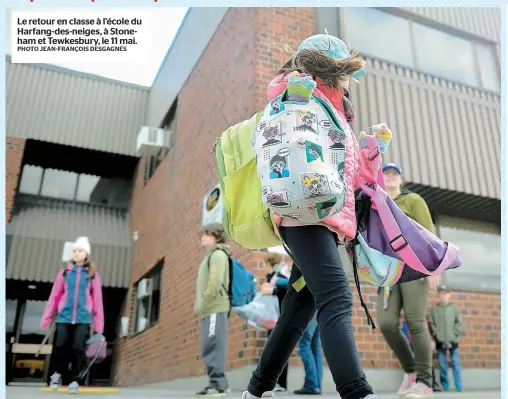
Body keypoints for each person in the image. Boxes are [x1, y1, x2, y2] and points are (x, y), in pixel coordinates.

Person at [242, 34, 378, 399]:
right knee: (336, 298)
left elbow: (344, 171)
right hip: (304, 214)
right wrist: (295, 97)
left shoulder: (334, 108)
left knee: (299, 307)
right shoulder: (300, 95)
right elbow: (291, 145)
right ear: (333, 68)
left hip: (321, 215)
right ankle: (355, 391)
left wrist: (371, 152)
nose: (350, 80)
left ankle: (256, 390)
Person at [377, 163, 440, 399]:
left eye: (395, 174)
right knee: (386, 323)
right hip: (389, 272)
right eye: (386, 173)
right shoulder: (377, 204)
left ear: (401, 180)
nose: (391, 176)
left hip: (414, 267)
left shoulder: (413, 200)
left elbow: (429, 232)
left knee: (415, 322)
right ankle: (411, 371)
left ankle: (425, 382)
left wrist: (435, 266)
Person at [40, 237, 104, 394]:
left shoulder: (92, 276)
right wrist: (47, 317)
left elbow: (97, 301)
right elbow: (54, 296)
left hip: (82, 318)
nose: (75, 253)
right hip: (64, 316)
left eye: (79, 250)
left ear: (86, 254)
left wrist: (99, 325)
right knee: (60, 346)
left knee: (77, 349)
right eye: (74, 250)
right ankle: (56, 374)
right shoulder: (64, 273)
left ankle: (75, 381)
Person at [195, 224, 231, 398]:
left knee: (213, 345)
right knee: (209, 345)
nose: (203, 237)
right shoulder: (210, 256)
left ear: (217, 237)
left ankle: (218, 385)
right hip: (210, 309)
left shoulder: (217, 255)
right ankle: (215, 383)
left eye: (208, 235)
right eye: (203, 234)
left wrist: (204, 304)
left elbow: (214, 283)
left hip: (215, 307)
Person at [260, 253, 290, 392]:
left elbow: (287, 292)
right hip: (271, 318)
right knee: (272, 350)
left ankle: (281, 383)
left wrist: (272, 291)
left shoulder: (280, 276)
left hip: (280, 317)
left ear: (269, 263)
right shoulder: (270, 277)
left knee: (279, 350)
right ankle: (272, 382)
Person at [428, 285, 463, 392]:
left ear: (449, 295)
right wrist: (436, 335)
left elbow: (458, 322)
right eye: (441, 294)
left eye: (446, 293)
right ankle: (445, 384)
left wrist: (455, 334)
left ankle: (458, 384)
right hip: (440, 341)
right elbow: (431, 323)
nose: (443, 296)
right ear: (438, 295)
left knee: (455, 363)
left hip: (453, 341)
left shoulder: (454, 308)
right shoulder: (435, 310)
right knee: (442, 364)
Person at [295, 313, 323, 395]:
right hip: (320, 308)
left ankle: (311, 385)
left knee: (304, 344)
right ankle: (317, 386)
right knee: (315, 348)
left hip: (310, 308)